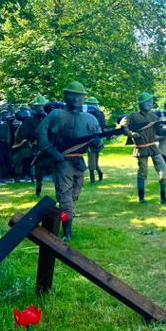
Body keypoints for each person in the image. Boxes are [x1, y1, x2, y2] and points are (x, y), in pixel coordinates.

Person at [36, 82, 102, 240]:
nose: (76, 99)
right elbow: (41, 132)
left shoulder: (90, 118)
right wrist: (51, 151)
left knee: (74, 194)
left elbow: (98, 141)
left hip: (79, 160)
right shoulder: (57, 115)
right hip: (62, 160)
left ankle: (62, 218)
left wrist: (97, 143)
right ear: (66, 96)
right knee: (65, 195)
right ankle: (67, 232)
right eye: (73, 95)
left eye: (80, 96)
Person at [120, 92, 166, 204]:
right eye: (148, 102)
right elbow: (123, 124)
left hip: (153, 147)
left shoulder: (153, 116)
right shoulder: (132, 116)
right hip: (141, 147)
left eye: (151, 101)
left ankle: (163, 198)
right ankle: (141, 198)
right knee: (142, 172)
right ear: (142, 103)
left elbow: (159, 132)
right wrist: (131, 134)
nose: (151, 103)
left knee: (163, 170)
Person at [83, 95, 106, 184]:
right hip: (95, 138)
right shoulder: (98, 114)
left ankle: (93, 179)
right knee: (94, 160)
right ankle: (98, 175)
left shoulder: (87, 115)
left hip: (94, 139)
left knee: (92, 160)